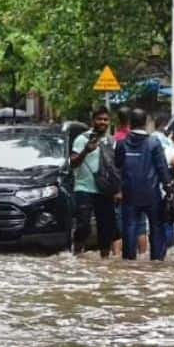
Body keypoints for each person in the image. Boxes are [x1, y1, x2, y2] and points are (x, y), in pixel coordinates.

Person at [115, 108, 171, 261]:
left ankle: (129, 262)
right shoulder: (154, 143)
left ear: (131, 123)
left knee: (130, 228)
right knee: (156, 227)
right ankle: (157, 261)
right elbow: (162, 168)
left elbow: (117, 166)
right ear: (146, 123)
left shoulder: (121, 143)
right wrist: (169, 187)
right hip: (152, 193)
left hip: (129, 193)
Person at [70, 107, 118, 257]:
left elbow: (117, 168)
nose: (102, 122)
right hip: (84, 188)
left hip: (105, 190)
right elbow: (72, 163)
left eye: (105, 119)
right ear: (93, 121)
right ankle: (77, 253)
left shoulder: (112, 142)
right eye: (99, 119)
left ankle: (104, 260)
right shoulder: (82, 139)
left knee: (106, 227)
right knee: (83, 225)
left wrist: (119, 190)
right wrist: (86, 151)